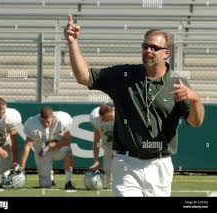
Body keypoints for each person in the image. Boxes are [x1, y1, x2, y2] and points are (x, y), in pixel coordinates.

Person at [64, 15, 205, 196]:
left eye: (154, 47)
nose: (148, 50)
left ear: (166, 53)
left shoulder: (178, 83)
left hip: (160, 165)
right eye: (145, 46)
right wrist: (72, 42)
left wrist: (195, 99)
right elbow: (84, 77)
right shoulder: (123, 75)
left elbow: (195, 122)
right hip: (126, 162)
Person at [21, 106, 76, 190]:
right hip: (42, 152)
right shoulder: (32, 124)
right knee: (45, 185)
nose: (45, 124)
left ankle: (68, 182)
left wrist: (54, 144)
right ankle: (50, 176)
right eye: (43, 121)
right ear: (40, 118)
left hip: (57, 149)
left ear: (53, 117)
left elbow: (67, 140)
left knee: (68, 151)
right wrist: (22, 167)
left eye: (47, 121)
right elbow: (27, 145)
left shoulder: (62, 120)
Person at [89, 103, 115, 189]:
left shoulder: (121, 118)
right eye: (102, 118)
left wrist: (117, 149)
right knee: (107, 169)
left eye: (105, 118)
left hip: (122, 148)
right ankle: (109, 185)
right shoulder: (97, 119)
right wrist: (96, 160)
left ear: (111, 114)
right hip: (108, 147)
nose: (104, 120)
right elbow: (96, 140)